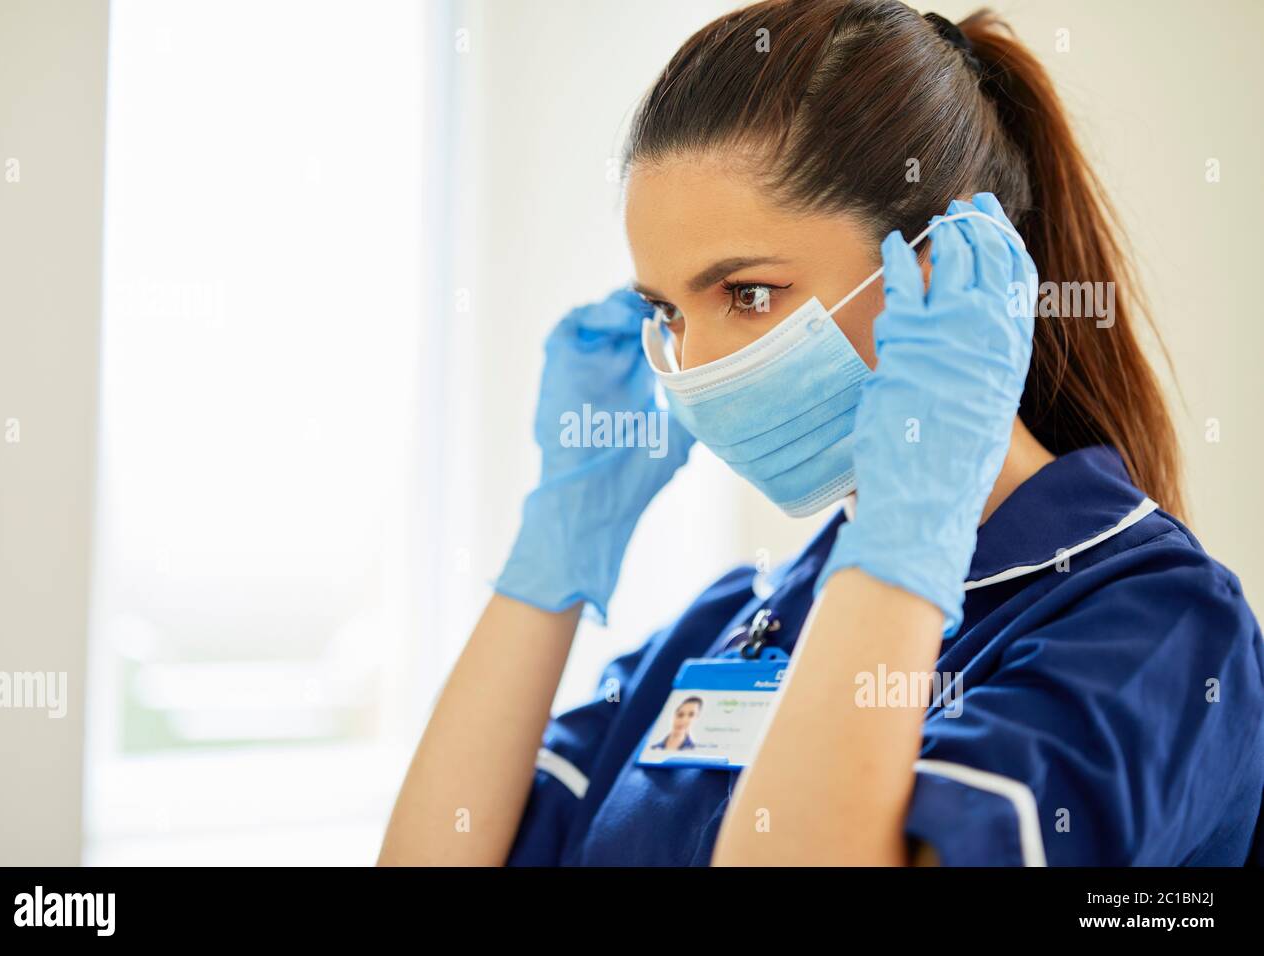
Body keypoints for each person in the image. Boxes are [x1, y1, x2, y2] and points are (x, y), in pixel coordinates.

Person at [378, 0, 1264, 866]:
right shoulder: (741, 620)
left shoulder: (1156, 626)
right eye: (665, 310)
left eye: (747, 293)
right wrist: (554, 555)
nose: (690, 366)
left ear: (943, 264)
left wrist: (906, 539)